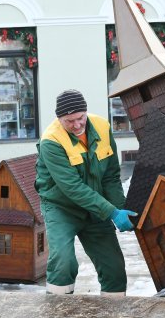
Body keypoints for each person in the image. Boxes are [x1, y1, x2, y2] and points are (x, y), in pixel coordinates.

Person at [35, 89, 136, 296]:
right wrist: (111, 212)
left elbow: (110, 175)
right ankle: (58, 313)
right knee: (63, 262)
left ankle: (114, 317)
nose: (77, 125)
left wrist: (121, 209)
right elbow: (73, 188)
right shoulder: (51, 141)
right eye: (69, 121)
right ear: (59, 119)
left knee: (113, 267)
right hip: (61, 208)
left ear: (86, 112)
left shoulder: (102, 127)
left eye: (80, 118)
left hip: (95, 207)